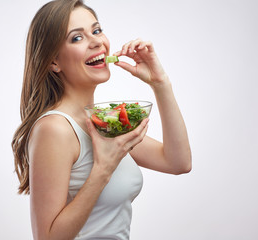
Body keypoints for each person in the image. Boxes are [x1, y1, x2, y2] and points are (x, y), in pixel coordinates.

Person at [11, 0, 192, 239]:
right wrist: (103, 169)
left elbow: (177, 162)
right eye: (77, 38)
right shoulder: (55, 128)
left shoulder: (104, 121)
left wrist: (160, 83)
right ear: (54, 61)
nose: (97, 41)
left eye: (96, 30)